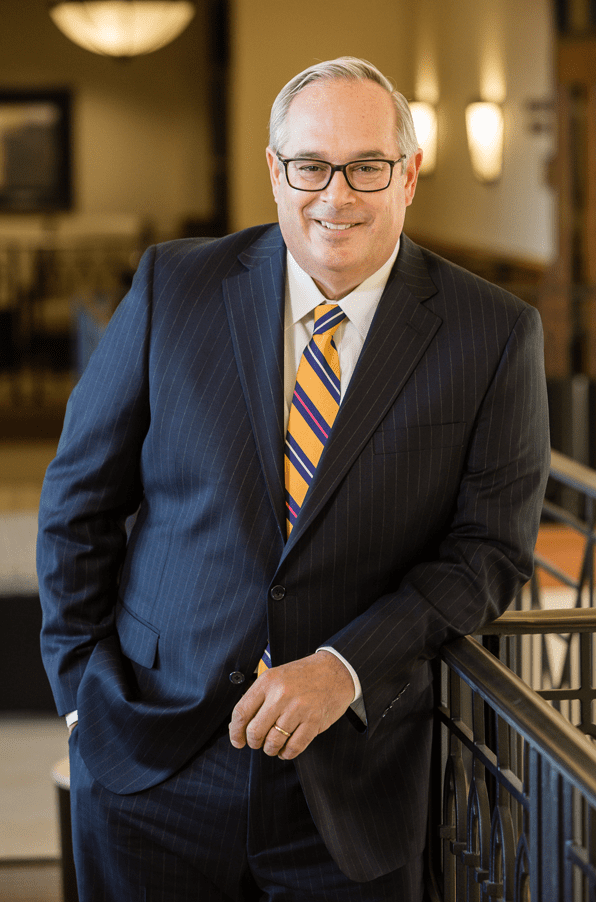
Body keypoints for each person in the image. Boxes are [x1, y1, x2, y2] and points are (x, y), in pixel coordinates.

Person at [38, 57, 550, 902]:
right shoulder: (177, 287)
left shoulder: (494, 334)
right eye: (310, 166)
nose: (335, 196)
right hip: (152, 764)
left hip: (353, 786)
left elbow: (487, 553)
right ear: (275, 172)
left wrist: (345, 666)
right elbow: (78, 503)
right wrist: (81, 701)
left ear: (409, 175)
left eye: (366, 167)